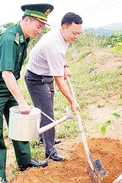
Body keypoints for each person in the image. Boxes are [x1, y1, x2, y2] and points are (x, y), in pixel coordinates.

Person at [0, 4, 54, 183]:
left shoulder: (24, 38)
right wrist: (21, 100)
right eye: (38, 26)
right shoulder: (9, 38)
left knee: (20, 125)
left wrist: (19, 101)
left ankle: (25, 162)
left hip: (7, 88)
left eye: (43, 27)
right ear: (26, 20)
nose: (39, 30)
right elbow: (6, 73)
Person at [24, 12, 82, 162]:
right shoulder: (53, 44)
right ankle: (49, 150)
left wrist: (64, 66)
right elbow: (60, 81)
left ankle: (45, 137)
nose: (76, 36)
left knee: (47, 108)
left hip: (46, 75)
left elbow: (60, 57)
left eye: (78, 33)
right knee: (47, 114)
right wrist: (72, 101)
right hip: (36, 79)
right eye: (74, 33)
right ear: (64, 27)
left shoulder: (62, 36)